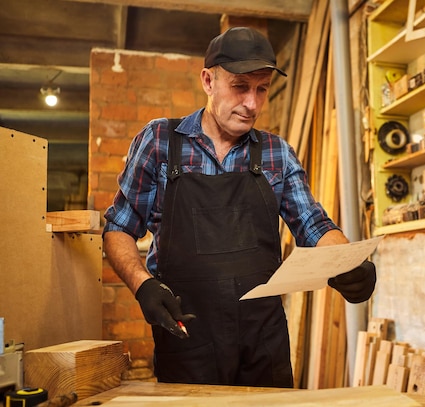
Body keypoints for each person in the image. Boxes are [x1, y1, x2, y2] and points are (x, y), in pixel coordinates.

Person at [102, 26, 376, 388]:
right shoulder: (160, 142)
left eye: (262, 89)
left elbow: (313, 225)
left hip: (263, 340)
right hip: (187, 337)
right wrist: (143, 285)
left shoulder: (276, 152)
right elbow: (119, 227)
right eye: (240, 87)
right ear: (208, 81)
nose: (252, 104)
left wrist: (349, 262)